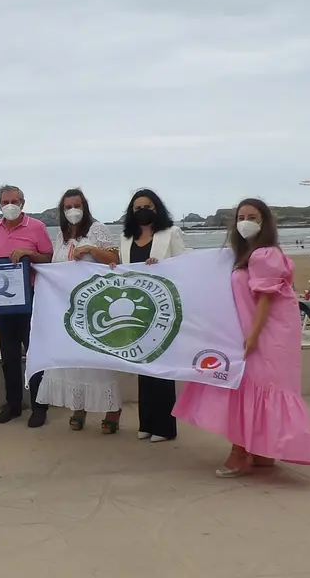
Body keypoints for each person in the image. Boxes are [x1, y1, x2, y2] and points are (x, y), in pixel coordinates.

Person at [173, 199, 310, 476]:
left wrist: (252, 335)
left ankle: (240, 452)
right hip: (254, 329)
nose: (245, 221)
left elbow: (265, 299)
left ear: (264, 221)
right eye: (241, 216)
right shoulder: (244, 254)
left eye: (252, 216)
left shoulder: (263, 255)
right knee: (255, 386)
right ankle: (260, 449)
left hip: (266, 332)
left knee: (252, 385)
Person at [36, 189, 123, 433]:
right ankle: (79, 405)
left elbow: (115, 258)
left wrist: (92, 250)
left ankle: (112, 409)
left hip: (93, 306)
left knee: (97, 360)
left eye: (77, 205)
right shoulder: (61, 236)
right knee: (74, 359)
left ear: (84, 207)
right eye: (68, 207)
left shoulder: (97, 229)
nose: (73, 210)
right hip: (69, 308)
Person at [117, 189, 187, 443]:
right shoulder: (126, 239)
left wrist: (162, 267)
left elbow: (184, 266)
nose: (142, 211)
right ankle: (146, 422)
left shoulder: (171, 234)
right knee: (143, 367)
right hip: (138, 310)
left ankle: (165, 427)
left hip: (164, 309)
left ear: (156, 208)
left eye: (147, 206)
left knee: (162, 370)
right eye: (137, 208)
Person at [0, 185, 54, 427]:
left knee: (34, 353)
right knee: (9, 355)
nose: (10, 205)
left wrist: (28, 253)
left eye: (15, 200)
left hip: (31, 297)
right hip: (3, 302)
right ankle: (12, 405)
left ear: (23, 203)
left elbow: (48, 257)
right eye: (5, 201)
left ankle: (39, 406)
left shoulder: (37, 227)